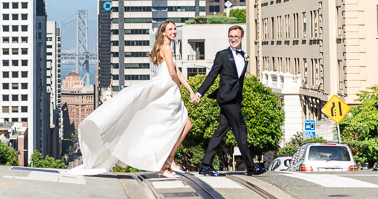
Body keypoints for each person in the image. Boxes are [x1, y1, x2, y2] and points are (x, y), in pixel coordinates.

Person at [71, 20, 195, 176]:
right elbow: (172, 73)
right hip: (167, 89)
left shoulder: (167, 48)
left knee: (179, 125)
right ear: (163, 32)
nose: (174, 31)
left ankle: (167, 160)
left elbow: (178, 72)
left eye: (175, 28)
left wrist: (190, 91)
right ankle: (165, 163)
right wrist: (178, 88)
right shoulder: (166, 48)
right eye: (170, 29)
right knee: (178, 125)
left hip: (167, 89)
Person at [195, 25, 266, 177]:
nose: (233, 39)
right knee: (241, 131)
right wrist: (199, 93)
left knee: (220, 132)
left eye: (236, 36)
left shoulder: (244, 56)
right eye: (231, 36)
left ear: (242, 38)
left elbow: (239, 81)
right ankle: (251, 167)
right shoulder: (222, 55)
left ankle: (206, 165)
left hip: (235, 99)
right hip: (227, 99)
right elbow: (212, 75)